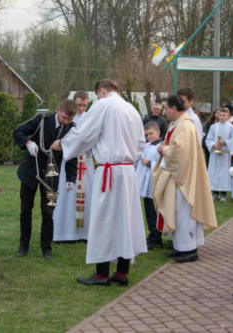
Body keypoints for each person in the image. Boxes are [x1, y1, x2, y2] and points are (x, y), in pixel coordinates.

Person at [51, 79, 147, 286]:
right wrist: (127, 157)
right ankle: (122, 272)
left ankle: (102, 273)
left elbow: (85, 132)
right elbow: (141, 143)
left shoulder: (104, 105)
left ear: (102, 91)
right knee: (125, 221)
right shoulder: (131, 109)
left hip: (109, 171)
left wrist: (64, 144)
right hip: (128, 171)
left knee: (103, 220)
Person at [152, 95, 217, 263]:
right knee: (176, 212)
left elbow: (181, 153)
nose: (165, 112)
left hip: (184, 177)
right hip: (175, 175)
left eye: (166, 108)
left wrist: (164, 150)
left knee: (184, 213)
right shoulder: (177, 124)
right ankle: (179, 247)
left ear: (174, 108)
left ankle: (189, 249)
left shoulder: (186, 126)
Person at [13, 99, 78, 260]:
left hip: (51, 176)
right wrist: (27, 143)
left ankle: (46, 248)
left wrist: (71, 178)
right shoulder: (42, 120)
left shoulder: (71, 129)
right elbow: (18, 131)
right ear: (58, 110)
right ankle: (23, 245)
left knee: (48, 212)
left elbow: (72, 154)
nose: (66, 122)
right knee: (26, 209)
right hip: (30, 171)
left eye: (70, 120)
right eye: (64, 118)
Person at [53, 91, 94, 242]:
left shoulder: (91, 118)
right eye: (78, 105)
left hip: (86, 162)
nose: (81, 108)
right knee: (67, 196)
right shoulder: (68, 118)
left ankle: (85, 233)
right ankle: (65, 232)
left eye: (84, 105)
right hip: (69, 161)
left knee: (88, 197)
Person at [135, 122, 163, 250]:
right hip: (145, 184)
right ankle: (151, 234)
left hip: (155, 184)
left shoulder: (162, 147)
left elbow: (163, 165)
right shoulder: (145, 146)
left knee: (154, 212)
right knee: (148, 212)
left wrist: (148, 163)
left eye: (151, 133)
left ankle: (157, 238)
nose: (149, 136)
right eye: (146, 135)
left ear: (158, 132)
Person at [205, 108, 233, 202]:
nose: (221, 117)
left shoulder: (231, 127)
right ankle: (215, 192)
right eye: (220, 115)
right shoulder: (213, 127)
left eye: (224, 115)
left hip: (225, 154)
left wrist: (225, 142)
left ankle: (223, 194)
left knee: (224, 173)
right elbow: (208, 139)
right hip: (215, 153)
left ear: (228, 116)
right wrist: (214, 145)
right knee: (214, 172)